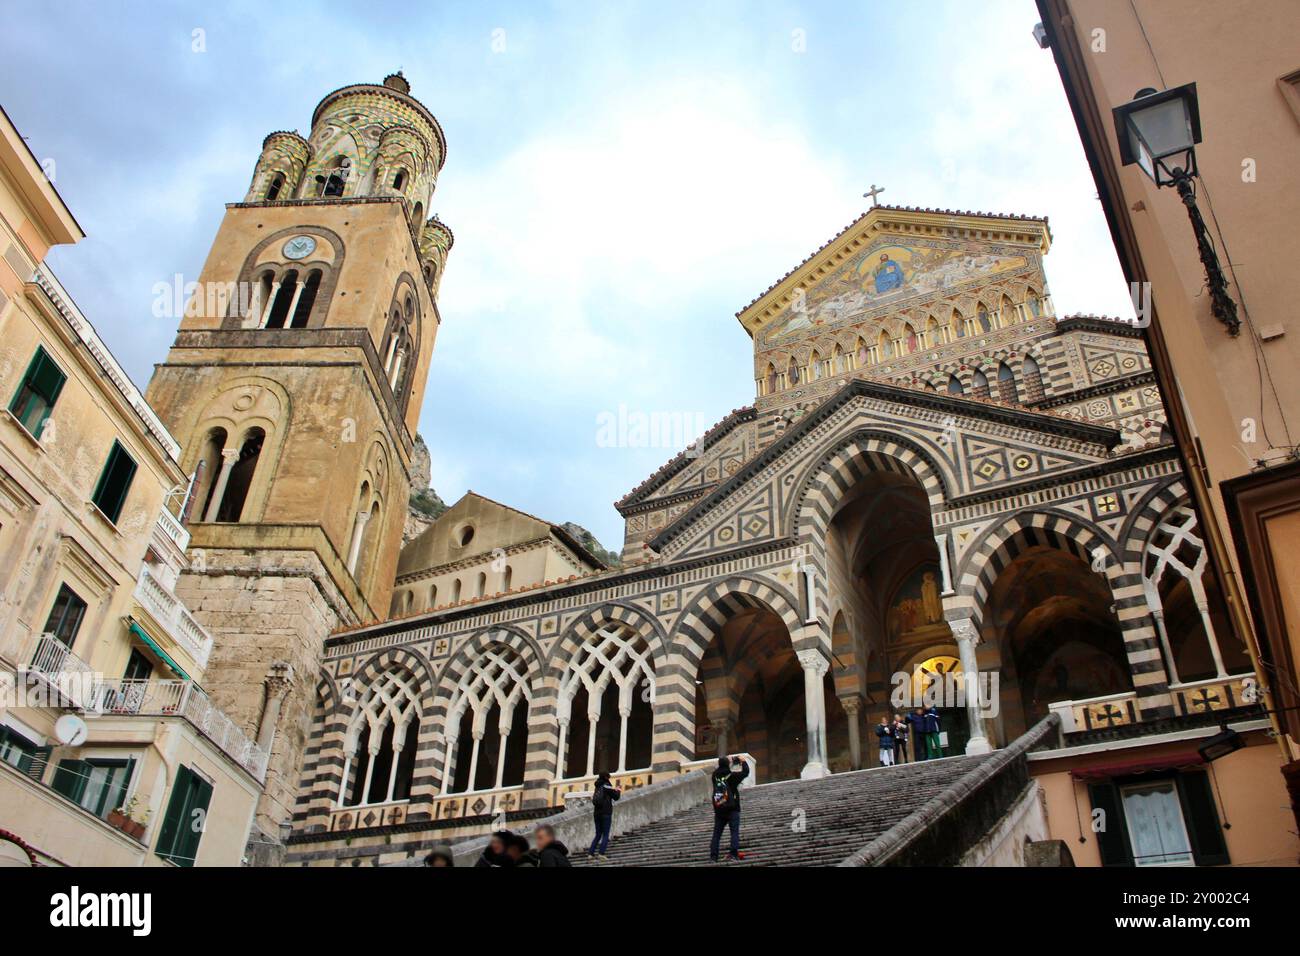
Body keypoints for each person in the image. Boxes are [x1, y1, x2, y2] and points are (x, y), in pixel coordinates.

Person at [708, 754, 750, 863]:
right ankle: (733, 854)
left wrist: (726, 761)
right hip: (733, 808)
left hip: (720, 809)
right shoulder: (732, 776)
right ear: (728, 764)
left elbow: (721, 770)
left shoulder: (714, 776)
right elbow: (745, 772)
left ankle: (713, 857)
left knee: (716, 834)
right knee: (734, 832)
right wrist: (743, 761)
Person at [588, 771, 622, 860]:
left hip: (596, 813)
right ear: (607, 777)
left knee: (598, 834)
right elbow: (616, 797)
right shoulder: (606, 785)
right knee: (606, 834)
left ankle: (590, 854)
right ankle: (601, 853)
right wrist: (618, 790)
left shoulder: (597, 786)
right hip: (606, 813)